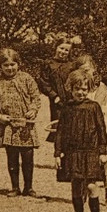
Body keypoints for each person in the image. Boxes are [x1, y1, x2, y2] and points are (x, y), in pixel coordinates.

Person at [58, 67, 107, 212]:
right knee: (76, 186)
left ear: (89, 89)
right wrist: (57, 153)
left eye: (84, 89)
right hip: (74, 153)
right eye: (77, 89)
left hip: (91, 152)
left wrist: (102, 151)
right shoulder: (67, 108)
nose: (80, 92)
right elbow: (60, 132)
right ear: (70, 89)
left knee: (92, 187)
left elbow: (102, 130)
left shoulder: (94, 107)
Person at [0, 47, 41, 196]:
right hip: (8, 126)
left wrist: (33, 109)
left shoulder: (26, 78)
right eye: (6, 65)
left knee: (27, 157)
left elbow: (36, 97)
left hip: (26, 124)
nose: (10, 68)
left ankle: (29, 187)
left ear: (18, 64)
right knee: (12, 158)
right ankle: (14, 187)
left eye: (12, 64)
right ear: (0, 66)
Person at [37, 36, 80, 169]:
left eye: (66, 50)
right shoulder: (48, 64)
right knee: (59, 128)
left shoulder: (72, 65)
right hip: (57, 102)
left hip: (71, 101)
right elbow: (43, 82)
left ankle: (70, 158)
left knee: (72, 128)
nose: (63, 52)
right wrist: (53, 95)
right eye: (61, 48)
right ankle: (59, 157)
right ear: (56, 47)